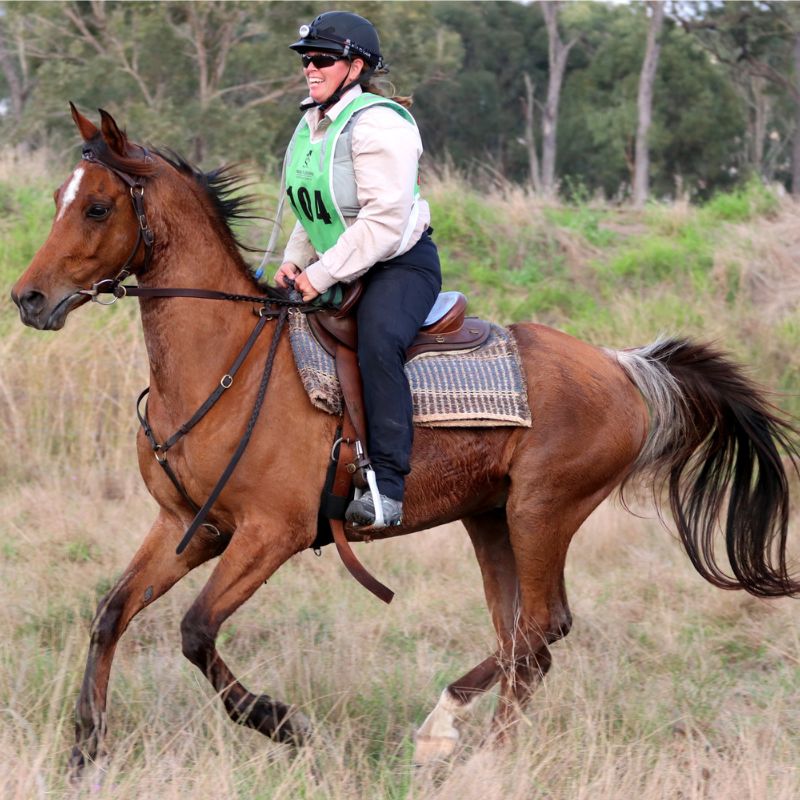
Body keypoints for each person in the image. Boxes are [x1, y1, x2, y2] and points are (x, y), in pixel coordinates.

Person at [273, 11, 441, 527]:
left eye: (322, 58)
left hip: (398, 266)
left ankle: (387, 489)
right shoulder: (313, 123)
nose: (310, 68)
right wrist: (293, 261)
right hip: (337, 264)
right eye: (307, 59)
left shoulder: (381, 124)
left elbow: (383, 223)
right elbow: (314, 208)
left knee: (379, 340)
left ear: (357, 66)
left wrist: (319, 276)